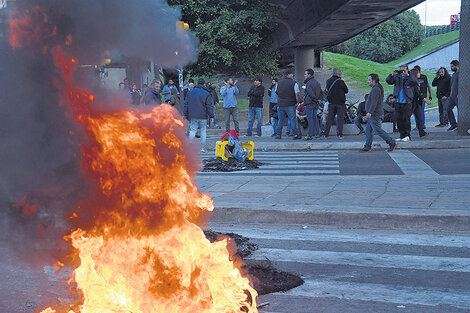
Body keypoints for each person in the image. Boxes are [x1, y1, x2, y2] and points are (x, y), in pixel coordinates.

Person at [360, 74, 397, 152]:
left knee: (378, 130)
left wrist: (369, 113)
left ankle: (391, 142)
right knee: (369, 131)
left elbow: (374, 102)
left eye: (369, 80)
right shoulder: (376, 88)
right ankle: (367, 146)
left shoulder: (376, 89)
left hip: (375, 114)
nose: (368, 81)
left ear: (374, 81)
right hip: (374, 114)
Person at [386, 65, 417, 141]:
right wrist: (392, 75)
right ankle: (401, 135)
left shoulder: (410, 77)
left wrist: (408, 75)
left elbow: (415, 81)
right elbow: (388, 81)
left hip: (407, 101)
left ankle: (407, 135)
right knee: (399, 119)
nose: (402, 72)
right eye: (401, 70)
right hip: (398, 101)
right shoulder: (397, 77)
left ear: (407, 70)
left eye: (404, 70)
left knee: (406, 118)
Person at [184, 78, 214, 152]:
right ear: (204, 84)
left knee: (193, 130)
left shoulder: (190, 92)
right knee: (203, 131)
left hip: (193, 114)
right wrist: (212, 116)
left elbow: (186, 104)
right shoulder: (206, 93)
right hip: (203, 115)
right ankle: (203, 148)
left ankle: (189, 147)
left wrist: (184, 114)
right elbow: (209, 106)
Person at [275, 69, 301, 140]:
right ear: (288, 75)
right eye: (292, 74)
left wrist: (279, 100)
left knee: (280, 120)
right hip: (290, 104)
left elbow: (276, 93)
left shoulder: (279, 83)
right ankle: (295, 134)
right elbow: (296, 94)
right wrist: (297, 102)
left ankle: (278, 134)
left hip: (280, 104)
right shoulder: (294, 83)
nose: (293, 75)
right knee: (292, 119)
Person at [324, 68, 349, 139]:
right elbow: (346, 90)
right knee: (340, 119)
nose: (341, 73)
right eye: (340, 72)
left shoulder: (328, 81)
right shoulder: (341, 82)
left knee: (329, 119)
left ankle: (326, 134)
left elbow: (326, 89)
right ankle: (340, 134)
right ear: (337, 73)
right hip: (340, 104)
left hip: (331, 103)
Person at [409, 68, 429, 138]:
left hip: (416, 102)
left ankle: (422, 132)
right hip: (412, 102)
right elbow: (417, 93)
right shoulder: (414, 83)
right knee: (408, 117)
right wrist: (425, 100)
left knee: (419, 117)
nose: (419, 74)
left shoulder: (415, 82)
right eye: (418, 73)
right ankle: (406, 133)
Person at [303, 68, 322, 140]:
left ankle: (310, 135)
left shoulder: (308, 83)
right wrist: (319, 99)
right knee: (315, 119)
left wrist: (316, 99)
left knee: (310, 119)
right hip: (315, 103)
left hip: (310, 103)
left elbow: (310, 93)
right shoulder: (317, 82)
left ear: (309, 75)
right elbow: (321, 92)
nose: (304, 75)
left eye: (305, 74)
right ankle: (317, 134)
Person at [447, 60, 459, 131]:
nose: (451, 68)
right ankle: (453, 124)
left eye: (452, 66)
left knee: (460, 111)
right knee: (448, 109)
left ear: (457, 66)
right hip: (452, 96)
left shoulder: (460, 74)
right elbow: (452, 85)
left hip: (458, 96)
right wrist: (451, 94)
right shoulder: (453, 75)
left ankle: (460, 126)